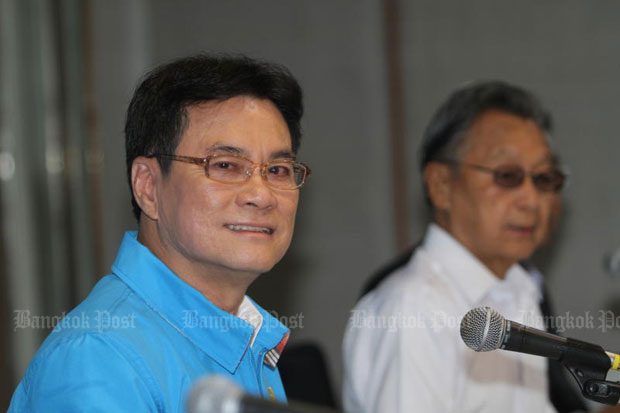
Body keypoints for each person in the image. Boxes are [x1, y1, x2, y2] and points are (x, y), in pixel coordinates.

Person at [9, 53, 311, 412]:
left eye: (277, 170)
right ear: (148, 187)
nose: (261, 195)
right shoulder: (100, 359)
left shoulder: (246, 338)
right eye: (226, 165)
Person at [343, 81, 568, 412]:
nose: (532, 200)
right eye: (507, 176)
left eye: (543, 178)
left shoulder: (521, 289)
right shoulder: (410, 310)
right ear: (441, 186)